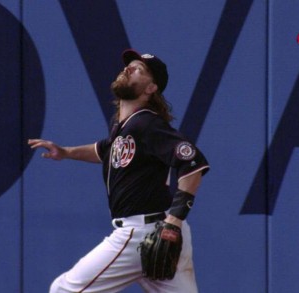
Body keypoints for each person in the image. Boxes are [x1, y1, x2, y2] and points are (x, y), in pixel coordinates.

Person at [28, 49, 209, 293]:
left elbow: (192, 164)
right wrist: (67, 152)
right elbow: (105, 149)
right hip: (159, 231)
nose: (128, 69)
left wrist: (173, 222)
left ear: (150, 88)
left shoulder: (147, 123)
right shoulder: (125, 126)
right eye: (128, 66)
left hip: (141, 233)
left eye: (139, 70)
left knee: (63, 290)